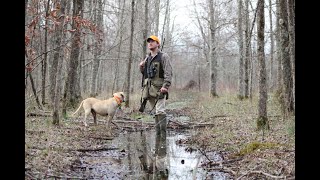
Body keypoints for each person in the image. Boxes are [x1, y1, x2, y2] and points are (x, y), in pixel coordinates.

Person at [139, 35, 172, 178]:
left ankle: (162, 138)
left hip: (160, 89)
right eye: (149, 42)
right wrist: (141, 68)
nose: (150, 43)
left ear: (157, 44)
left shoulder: (163, 56)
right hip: (149, 90)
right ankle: (158, 143)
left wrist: (166, 86)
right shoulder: (147, 58)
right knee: (155, 113)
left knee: (160, 111)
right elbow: (146, 74)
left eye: (152, 41)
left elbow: (169, 72)